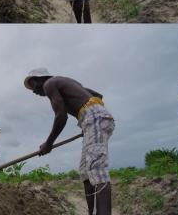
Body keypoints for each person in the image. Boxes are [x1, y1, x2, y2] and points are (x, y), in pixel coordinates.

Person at [24, 68, 114, 215]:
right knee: (86, 172)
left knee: (97, 170)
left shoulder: (49, 84)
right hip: (91, 120)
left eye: (33, 85)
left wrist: (49, 144)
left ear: (41, 79)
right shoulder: (69, 83)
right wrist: (88, 119)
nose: (34, 91)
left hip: (94, 119)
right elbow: (98, 95)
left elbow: (61, 116)